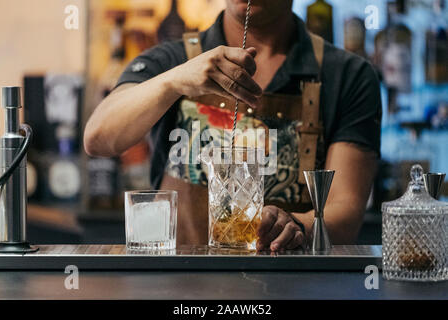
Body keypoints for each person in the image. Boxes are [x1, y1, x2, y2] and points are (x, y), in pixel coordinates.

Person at [84, 0, 381, 251]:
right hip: (180, 288)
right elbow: (98, 138)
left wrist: (296, 224)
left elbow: (345, 215)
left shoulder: (348, 76)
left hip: (292, 287)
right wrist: (174, 80)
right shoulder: (171, 60)